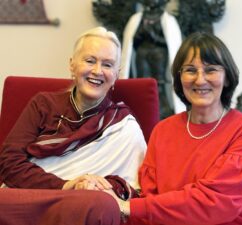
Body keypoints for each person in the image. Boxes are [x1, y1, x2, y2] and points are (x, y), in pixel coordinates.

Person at [108, 32, 242, 225]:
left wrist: (129, 207)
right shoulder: (163, 130)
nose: (200, 80)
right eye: (190, 70)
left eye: (210, 70)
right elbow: (151, 199)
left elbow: (215, 201)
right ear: (180, 78)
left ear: (227, 77)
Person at [0, 26, 146, 225]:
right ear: (72, 65)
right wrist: (66, 185)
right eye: (90, 60)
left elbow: (132, 189)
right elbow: (9, 163)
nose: (97, 71)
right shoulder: (43, 104)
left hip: (81, 206)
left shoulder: (124, 126)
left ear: (116, 75)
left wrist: (94, 186)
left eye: (107, 64)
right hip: (32, 197)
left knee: (98, 205)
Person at [121, 0, 184, 118]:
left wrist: (153, 35)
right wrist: (141, 33)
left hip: (159, 54)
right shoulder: (136, 19)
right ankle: (142, 107)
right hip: (142, 53)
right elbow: (131, 43)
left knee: (158, 81)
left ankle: (161, 107)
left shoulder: (168, 20)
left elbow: (170, 42)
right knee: (142, 80)